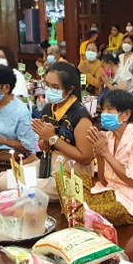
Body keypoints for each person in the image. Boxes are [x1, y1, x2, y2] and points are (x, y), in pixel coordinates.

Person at [79, 90, 133, 226]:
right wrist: (99, 153)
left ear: (126, 114)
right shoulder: (108, 136)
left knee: (83, 213)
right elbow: (104, 181)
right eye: (103, 109)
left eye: (109, 109)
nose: (104, 114)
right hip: (111, 191)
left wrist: (105, 153)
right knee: (65, 181)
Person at [32, 62, 95, 197]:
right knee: (6, 180)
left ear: (70, 89)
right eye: (47, 85)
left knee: (28, 189)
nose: (49, 90)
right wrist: (45, 141)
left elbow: (86, 157)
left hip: (73, 170)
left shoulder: (80, 116)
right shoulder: (48, 108)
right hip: (49, 163)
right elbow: (42, 146)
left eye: (55, 87)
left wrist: (53, 139)